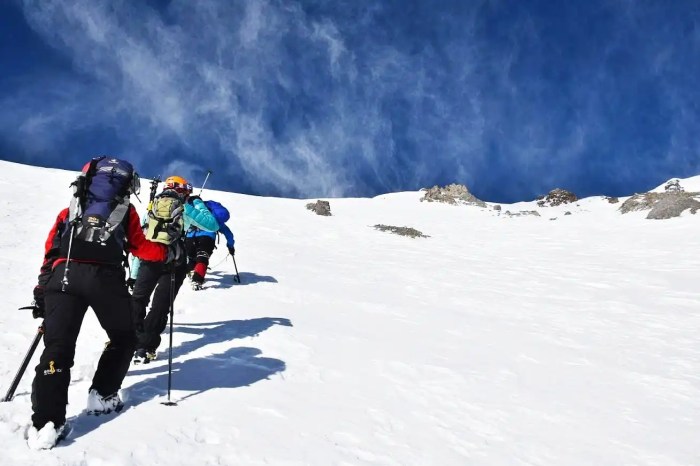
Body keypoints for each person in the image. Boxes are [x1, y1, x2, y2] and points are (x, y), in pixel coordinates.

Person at [27, 157, 175, 450]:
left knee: (57, 347)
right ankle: (103, 395)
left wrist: (42, 288)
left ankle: (47, 422)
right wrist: (167, 254)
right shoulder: (124, 210)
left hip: (62, 277)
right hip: (104, 278)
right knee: (124, 337)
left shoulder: (69, 211)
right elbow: (141, 247)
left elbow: (50, 250)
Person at [129, 176, 219, 364]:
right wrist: (196, 205)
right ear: (184, 190)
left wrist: (134, 274)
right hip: (175, 261)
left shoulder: (153, 207)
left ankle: (126, 340)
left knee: (138, 299)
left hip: (149, 258)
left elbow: (143, 237)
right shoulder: (185, 207)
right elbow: (212, 224)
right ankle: (145, 348)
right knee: (160, 306)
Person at [185, 198, 235, 290]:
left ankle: (190, 272)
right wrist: (230, 246)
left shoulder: (194, 214)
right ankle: (197, 280)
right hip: (207, 238)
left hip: (190, 237)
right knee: (202, 257)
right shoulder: (212, 218)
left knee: (191, 258)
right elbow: (228, 234)